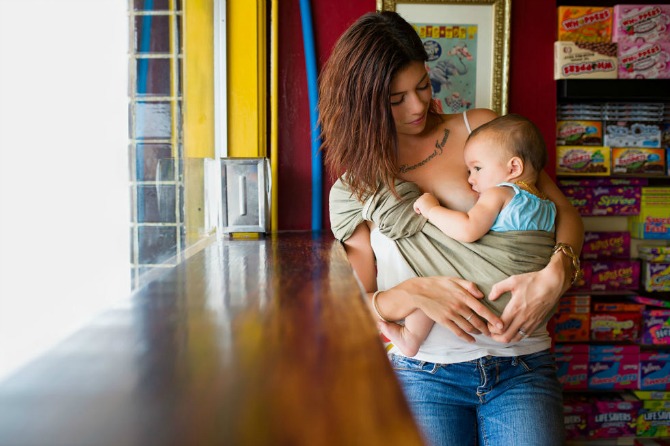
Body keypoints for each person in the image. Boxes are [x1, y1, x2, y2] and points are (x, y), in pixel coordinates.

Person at [320, 11, 584, 446]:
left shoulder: (480, 131)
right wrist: (409, 294)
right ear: (363, 103)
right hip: (424, 375)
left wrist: (558, 272)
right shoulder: (358, 189)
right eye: (396, 98)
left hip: (521, 365)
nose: (419, 105)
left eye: (422, 85)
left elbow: (563, 215)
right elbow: (350, 305)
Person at [381, 113, 558, 357]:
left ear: (513, 167)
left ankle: (411, 336)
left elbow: (468, 229)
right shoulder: (547, 205)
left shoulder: (500, 193)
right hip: (526, 306)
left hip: (492, 291)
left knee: (439, 268)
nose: (470, 179)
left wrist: (432, 209)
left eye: (477, 168)